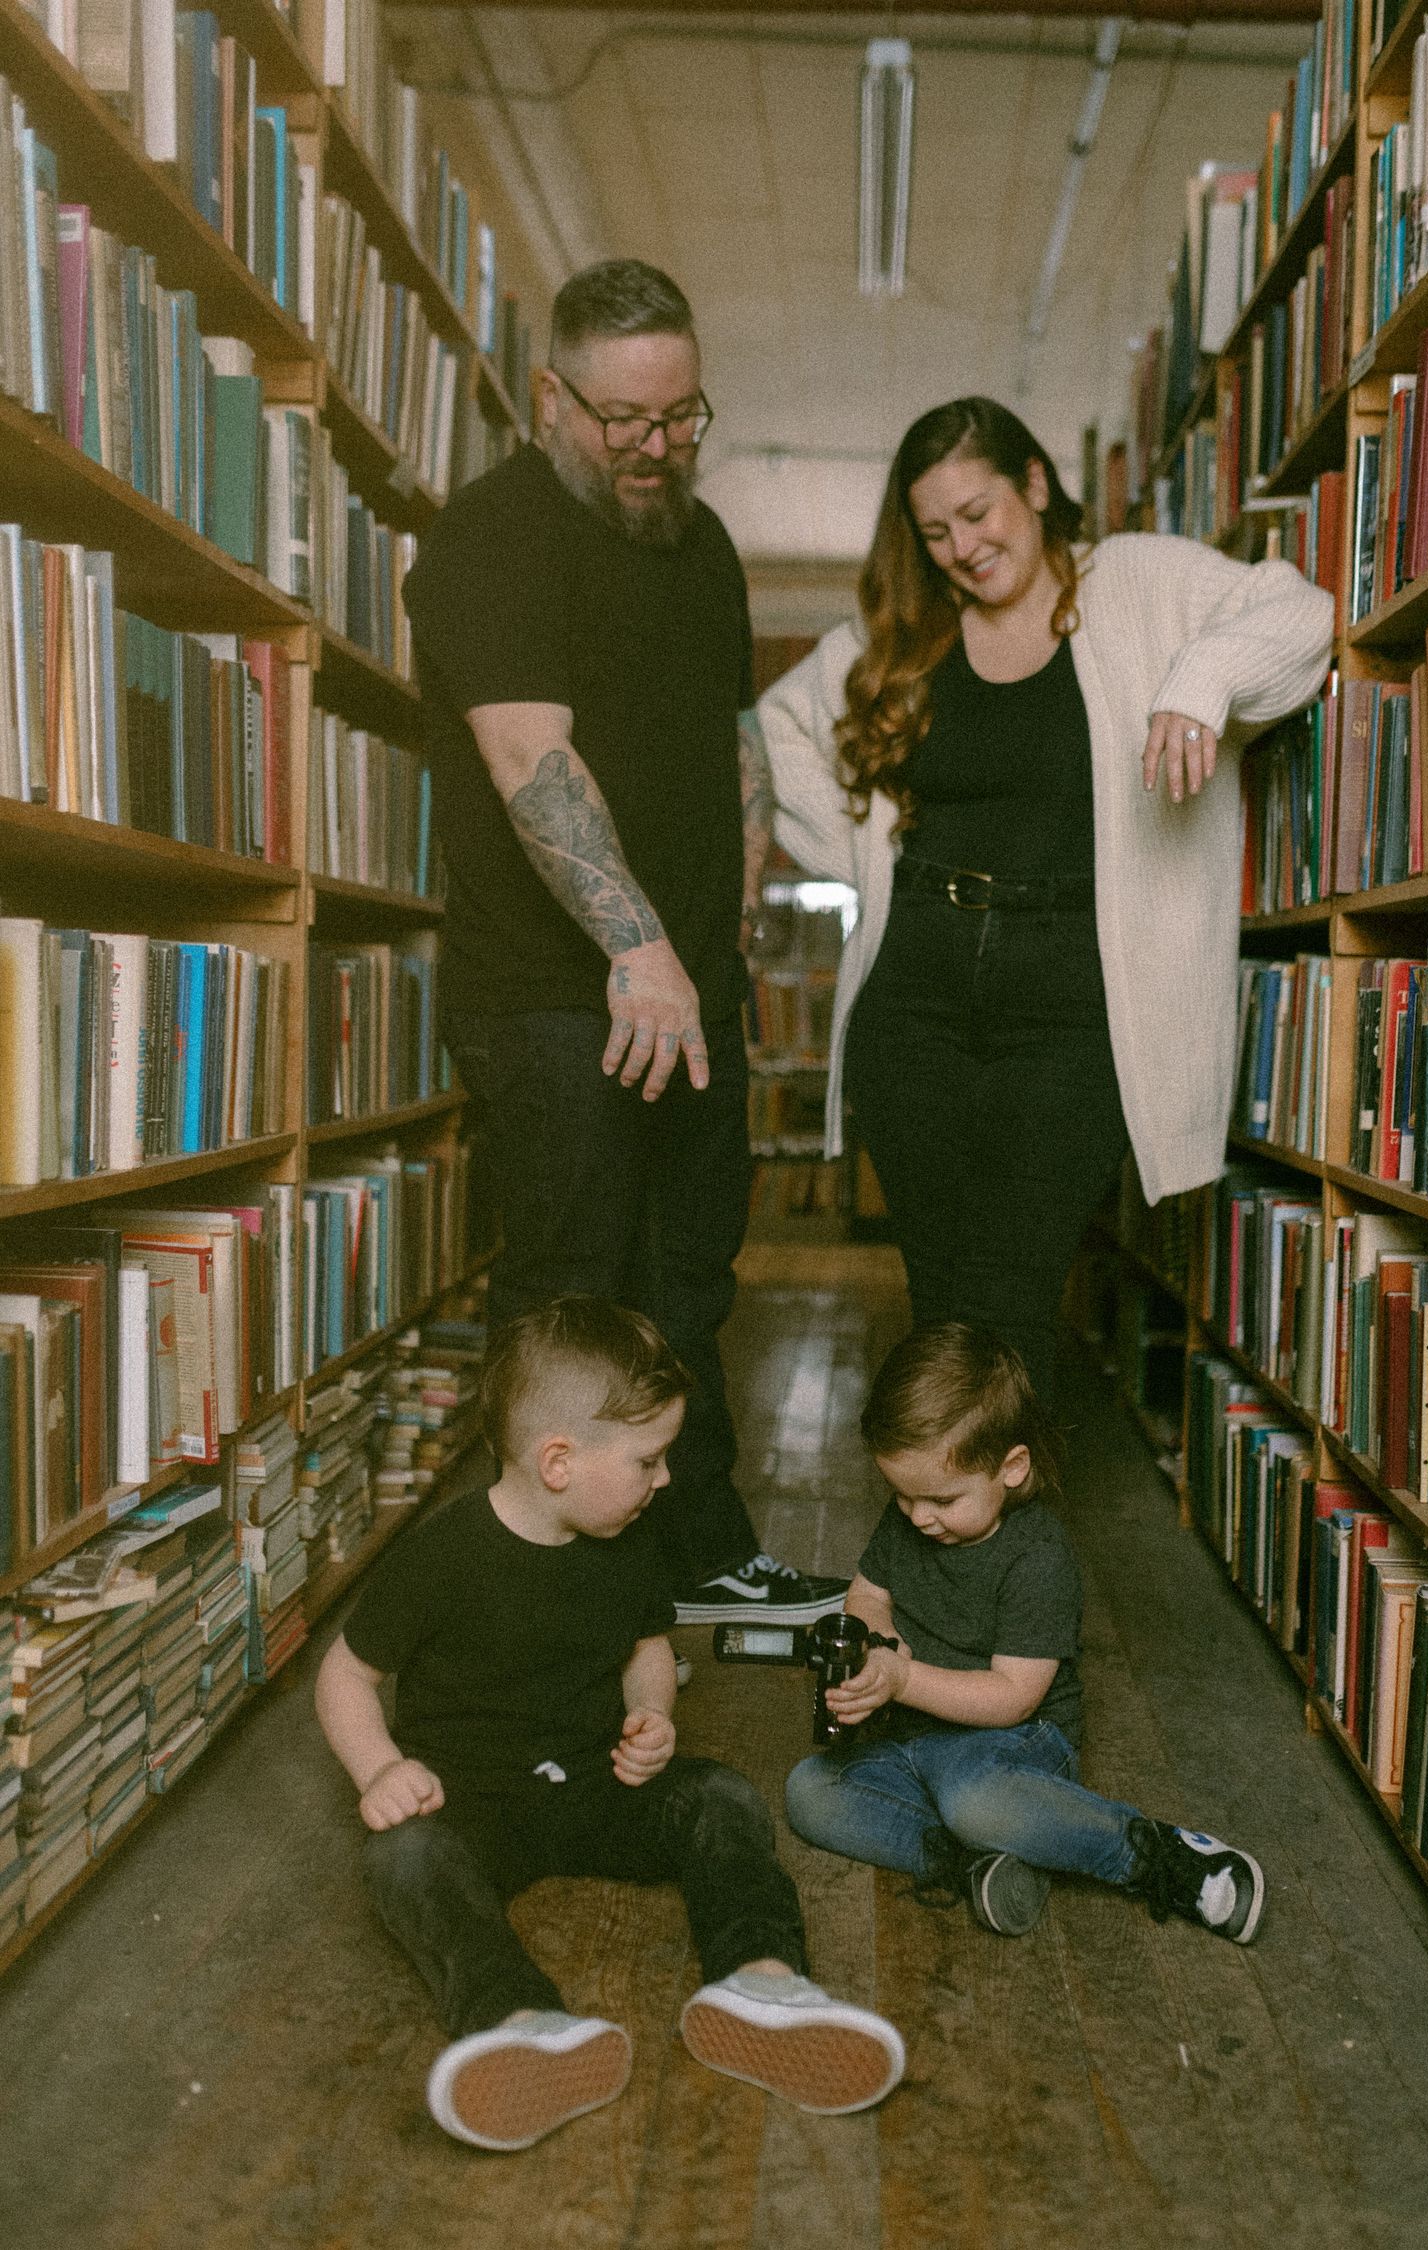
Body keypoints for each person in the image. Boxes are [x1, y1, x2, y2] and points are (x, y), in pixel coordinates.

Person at [401, 257, 845, 1625]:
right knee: (572, 1296)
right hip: (553, 995)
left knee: (690, 1288)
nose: (655, 450)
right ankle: (542, 1599)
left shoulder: (700, 543)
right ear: (551, 398)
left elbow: (731, 736)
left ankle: (696, 1551)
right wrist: (640, 945)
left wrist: (740, 885)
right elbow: (529, 751)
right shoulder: (494, 536)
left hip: (691, 984)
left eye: (681, 416)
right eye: (624, 421)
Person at [757, 398, 1335, 1400]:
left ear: (1034, 486)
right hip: (917, 998)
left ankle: (986, 1543)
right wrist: (864, 863)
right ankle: (962, 1540)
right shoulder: (905, 633)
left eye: (978, 514)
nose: (962, 549)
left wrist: (1200, 679)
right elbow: (778, 728)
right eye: (935, 532)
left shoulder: (1140, 582)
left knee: (1016, 1293)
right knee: (942, 1295)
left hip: (1076, 1005)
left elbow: (1302, 612)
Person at [314, 1297, 905, 2152]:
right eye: (648, 1460)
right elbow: (347, 1672)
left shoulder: (629, 1537)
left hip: (599, 1783)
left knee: (719, 1795)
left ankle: (762, 1982)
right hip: (471, 1802)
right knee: (404, 1856)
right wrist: (378, 1769)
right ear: (559, 1461)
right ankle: (517, 2023)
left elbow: (647, 1645)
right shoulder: (441, 1557)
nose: (664, 1481)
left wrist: (652, 1711)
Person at [784, 1322, 1264, 1943]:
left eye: (940, 1500)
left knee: (976, 1802)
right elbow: (869, 1591)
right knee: (811, 1791)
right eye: (902, 1499)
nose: (918, 1517)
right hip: (912, 1737)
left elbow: (1013, 1695)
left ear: (1011, 1468)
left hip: (1014, 1743)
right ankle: (974, 1864)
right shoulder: (915, 1512)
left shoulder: (1039, 1558)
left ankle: (1156, 1855)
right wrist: (877, 1638)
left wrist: (900, 1678)